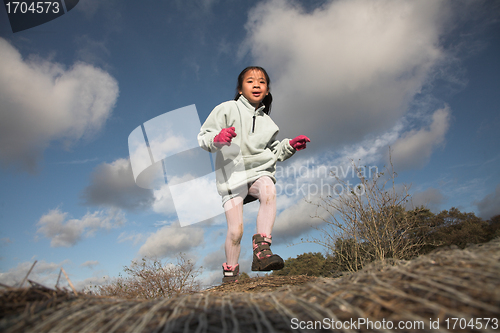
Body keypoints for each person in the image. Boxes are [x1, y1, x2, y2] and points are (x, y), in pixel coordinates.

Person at [198, 66, 310, 283]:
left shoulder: (269, 123)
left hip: (259, 172)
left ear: (267, 91)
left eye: (262, 81)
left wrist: (290, 146)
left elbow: (274, 151)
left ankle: (262, 252)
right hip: (232, 177)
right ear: (240, 89)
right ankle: (230, 274)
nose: (256, 84)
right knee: (235, 232)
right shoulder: (227, 109)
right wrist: (218, 138)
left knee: (269, 188)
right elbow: (204, 136)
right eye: (250, 81)